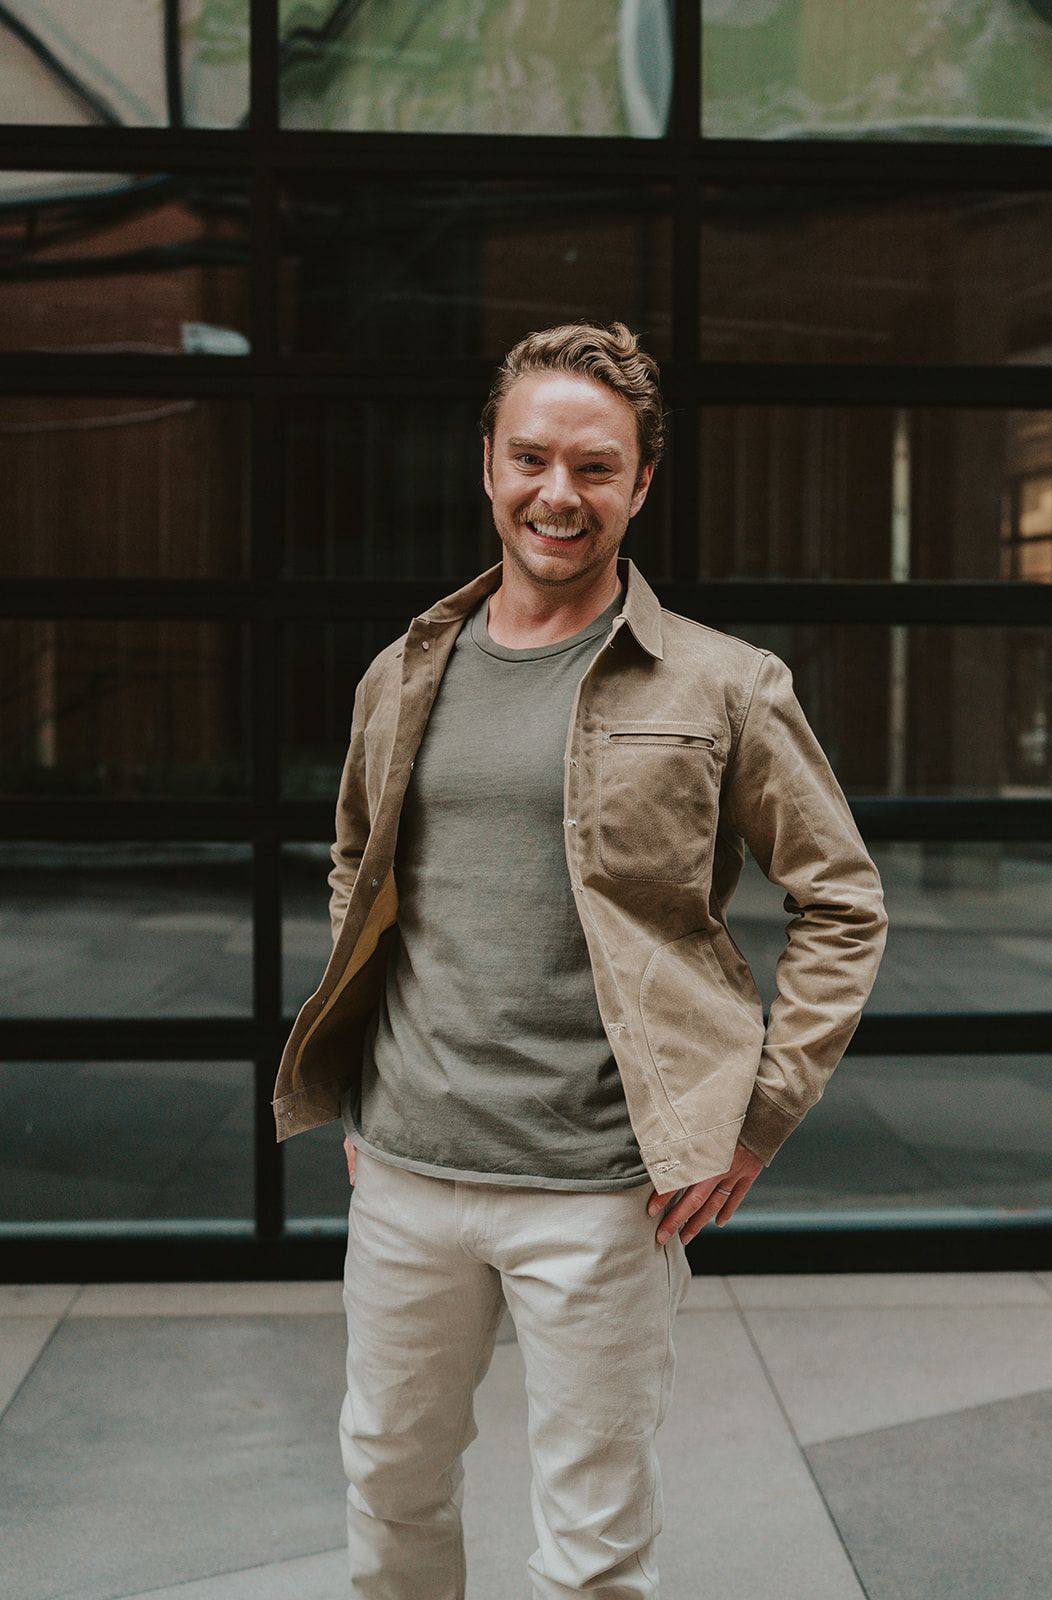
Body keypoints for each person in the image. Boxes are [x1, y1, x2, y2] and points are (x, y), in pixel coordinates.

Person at [272, 321, 888, 1599]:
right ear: (487, 464)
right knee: (389, 1480)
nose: (560, 492)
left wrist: (755, 1119)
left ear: (641, 484)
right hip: (405, 1168)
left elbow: (842, 902)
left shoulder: (725, 684)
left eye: (595, 467)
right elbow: (355, 864)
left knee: (592, 1545)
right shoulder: (405, 670)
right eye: (533, 457)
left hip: (605, 1186)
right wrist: (362, 1062)